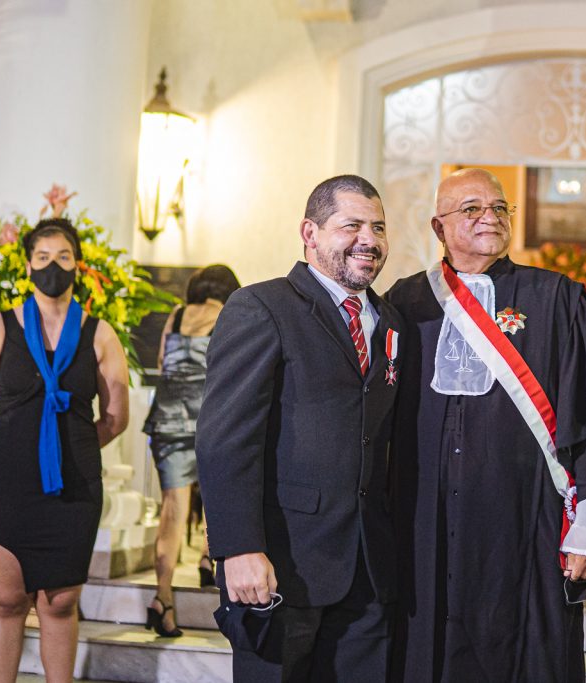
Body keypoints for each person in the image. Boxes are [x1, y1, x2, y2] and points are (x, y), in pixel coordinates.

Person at [386, 168, 586, 682]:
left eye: (498, 207)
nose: (489, 217)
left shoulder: (558, 298)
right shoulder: (406, 301)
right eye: (470, 208)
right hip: (422, 517)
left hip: (526, 515)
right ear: (439, 226)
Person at [195, 175, 402, 681]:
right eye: (350, 225)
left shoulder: (390, 320)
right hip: (283, 560)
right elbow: (225, 437)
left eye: (377, 227)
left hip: (369, 567)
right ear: (309, 232)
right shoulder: (262, 307)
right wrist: (237, 548)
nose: (368, 240)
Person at [0, 217, 129, 682]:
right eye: (43, 257)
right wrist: (13, 451)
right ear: (28, 266)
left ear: (79, 266)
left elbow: (115, 418)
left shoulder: (100, 333)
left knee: (61, 601)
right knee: (6, 598)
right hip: (6, 486)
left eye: (64, 257)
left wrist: (71, 450)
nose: (54, 265)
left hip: (73, 488)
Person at [142, 264, 240, 637]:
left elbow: (162, 364)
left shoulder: (177, 315)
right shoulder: (227, 315)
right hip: (208, 420)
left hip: (166, 420)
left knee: (172, 509)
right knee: (216, 495)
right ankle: (204, 555)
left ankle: (162, 597)